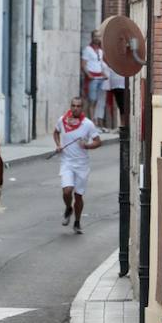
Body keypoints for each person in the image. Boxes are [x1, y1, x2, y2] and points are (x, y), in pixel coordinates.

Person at [53, 94, 102, 234]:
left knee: (79, 196)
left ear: (82, 108)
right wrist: (58, 145)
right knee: (67, 190)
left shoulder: (88, 124)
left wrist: (86, 145)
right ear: (70, 106)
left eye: (78, 106)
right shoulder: (62, 120)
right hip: (66, 162)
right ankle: (68, 208)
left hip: (82, 164)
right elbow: (56, 132)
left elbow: (98, 142)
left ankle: (77, 222)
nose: (75, 108)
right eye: (73, 105)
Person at [81, 30, 107, 124]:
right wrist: (89, 75)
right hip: (92, 78)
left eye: (99, 36)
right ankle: (91, 121)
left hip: (100, 77)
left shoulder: (100, 51)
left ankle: (93, 120)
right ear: (92, 37)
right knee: (91, 100)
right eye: (96, 36)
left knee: (97, 101)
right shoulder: (87, 50)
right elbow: (83, 64)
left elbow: (100, 64)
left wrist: (104, 74)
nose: (97, 38)